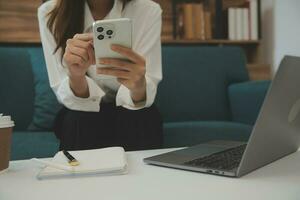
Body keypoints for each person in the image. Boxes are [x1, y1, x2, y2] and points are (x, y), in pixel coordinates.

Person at [38, 0, 163, 151]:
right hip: (80, 112)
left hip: (133, 111)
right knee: (77, 118)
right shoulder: (51, 12)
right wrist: (76, 76)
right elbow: (64, 89)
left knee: (142, 116)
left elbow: (145, 89)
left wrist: (138, 86)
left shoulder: (147, 10)